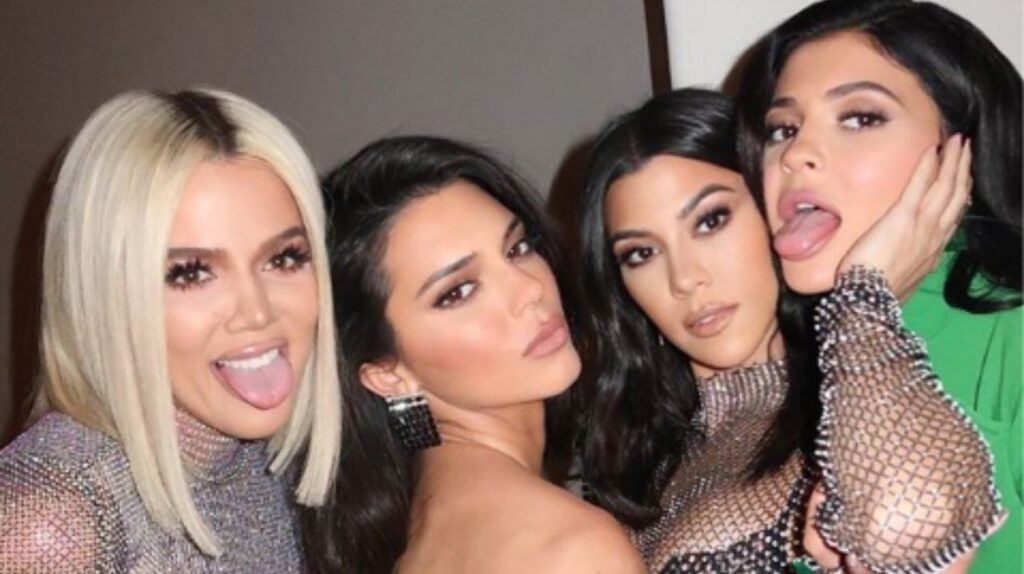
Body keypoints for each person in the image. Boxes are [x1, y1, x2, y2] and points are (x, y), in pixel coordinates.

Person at [579, 87, 1002, 573]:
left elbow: (913, 529)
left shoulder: (858, 411)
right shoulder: (632, 470)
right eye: (641, 254)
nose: (685, 278)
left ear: (776, 211)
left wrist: (864, 291)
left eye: (711, 221)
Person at [0, 88, 341, 572]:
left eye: (284, 258)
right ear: (106, 295)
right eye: (190, 273)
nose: (257, 312)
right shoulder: (50, 520)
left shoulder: (261, 467)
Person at [735, 1, 1021, 572]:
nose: (796, 154)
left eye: (861, 118)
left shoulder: (1011, 338)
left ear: (960, 151)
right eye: (782, 129)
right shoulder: (786, 360)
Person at [301, 136, 644, 574]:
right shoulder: (570, 549)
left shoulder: (421, 537)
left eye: (517, 248)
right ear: (389, 375)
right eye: (458, 291)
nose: (530, 290)